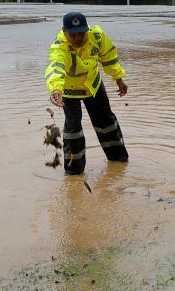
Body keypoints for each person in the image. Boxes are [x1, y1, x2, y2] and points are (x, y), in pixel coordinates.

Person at [45, 11, 129, 174]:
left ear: (87, 30)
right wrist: (55, 89)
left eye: (81, 34)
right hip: (68, 90)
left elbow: (109, 57)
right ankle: (74, 171)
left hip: (93, 84)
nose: (77, 38)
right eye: (73, 35)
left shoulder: (97, 36)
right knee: (73, 128)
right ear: (64, 31)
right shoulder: (59, 47)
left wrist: (118, 78)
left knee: (106, 122)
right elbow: (56, 67)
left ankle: (118, 159)